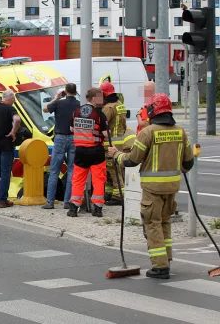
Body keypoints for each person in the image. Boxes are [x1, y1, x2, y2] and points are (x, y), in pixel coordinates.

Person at [108, 93, 194, 279]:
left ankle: (160, 266)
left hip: (152, 188)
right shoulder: (180, 131)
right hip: (172, 187)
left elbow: (131, 160)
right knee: (165, 221)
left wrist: (115, 154)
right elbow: (188, 163)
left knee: (152, 223)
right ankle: (167, 258)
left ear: (153, 111)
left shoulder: (147, 133)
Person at [67, 88, 109, 218]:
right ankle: (97, 209)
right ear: (94, 98)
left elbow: (72, 128)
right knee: (98, 179)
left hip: (80, 151)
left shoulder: (76, 112)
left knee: (78, 180)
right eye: (100, 98)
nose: (102, 100)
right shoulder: (99, 114)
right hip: (96, 151)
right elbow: (106, 135)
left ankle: (73, 208)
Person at [41, 83, 80, 210]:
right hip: (74, 138)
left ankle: (50, 202)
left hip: (60, 138)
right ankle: (68, 201)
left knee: (54, 171)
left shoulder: (59, 103)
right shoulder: (79, 104)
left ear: (65, 91)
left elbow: (45, 109)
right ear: (75, 92)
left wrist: (56, 97)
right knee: (72, 170)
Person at [100, 82, 136, 206]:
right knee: (113, 169)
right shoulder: (120, 105)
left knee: (113, 169)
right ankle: (110, 193)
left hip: (110, 142)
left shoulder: (108, 108)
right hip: (120, 141)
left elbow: (102, 124)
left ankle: (118, 195)